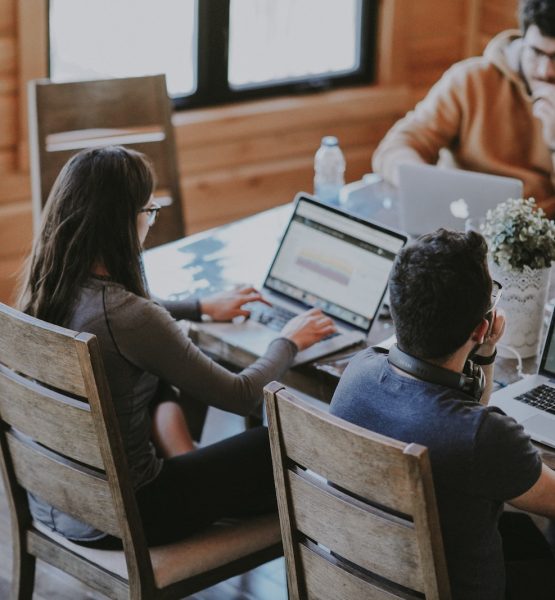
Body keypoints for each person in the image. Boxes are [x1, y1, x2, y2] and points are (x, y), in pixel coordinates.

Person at [17, 145, 336, 547]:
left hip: (56, 500)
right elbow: (239, 395)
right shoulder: (128, 317)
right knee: (270, 444)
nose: (151, 222)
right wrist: (288, 339)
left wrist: (200, 307)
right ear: (123, 222)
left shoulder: (48, 287)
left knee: (155, 372)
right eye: (149, 212)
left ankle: (186, 457)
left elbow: (125, 319)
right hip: (130, 513)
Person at [330, 229, 555, 599]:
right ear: (481, 327)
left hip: (366, 578)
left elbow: (463, 421)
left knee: (522, 535)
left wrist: (482, 354)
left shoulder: (357, 373)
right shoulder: (482, 436)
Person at [372, 0, 555, 216]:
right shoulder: (470, 81)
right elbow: (396, 147)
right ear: (523, 39)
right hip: (458, 224)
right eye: (536, 52)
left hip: (538, 236)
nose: (545, 71)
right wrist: (425, 186)